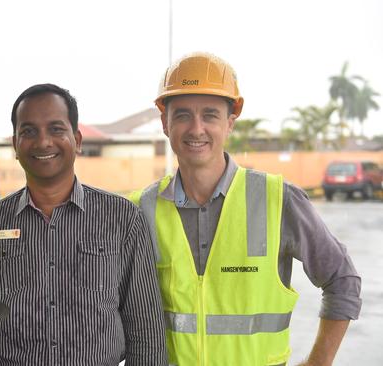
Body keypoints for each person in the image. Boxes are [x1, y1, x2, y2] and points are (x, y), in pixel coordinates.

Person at [129, 52, 362, 366]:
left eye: (210, 115)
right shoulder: (141, 209)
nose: (196, 128)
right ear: (165, 123)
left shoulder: (277, 199)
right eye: (183, 114)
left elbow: (342, 278)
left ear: (230, 123)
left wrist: (318, 362)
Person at [0, 83, 167, 365]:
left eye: (56, 129)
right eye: (28, 131)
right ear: (15, 145)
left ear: (77, 139)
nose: (43, 142)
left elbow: (146, 332)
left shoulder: (122, 219)